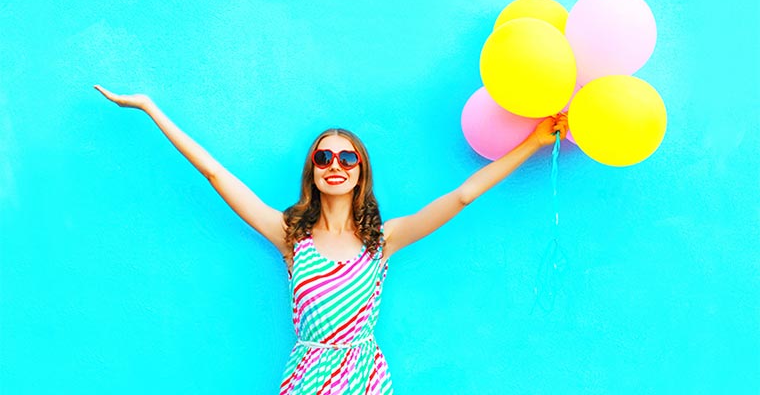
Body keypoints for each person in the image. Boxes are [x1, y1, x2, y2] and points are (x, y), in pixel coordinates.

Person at [93, 85, 568, 394]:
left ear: (361, 172)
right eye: (324, 158)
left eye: (347, 157)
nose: (336, 164)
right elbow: (215, 174)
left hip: (365, 379)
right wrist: (152, 107)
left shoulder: (385, 240)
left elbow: (463, 195)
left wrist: (531, 143)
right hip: (306, 379)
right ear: (313, 172)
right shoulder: (289, 236)